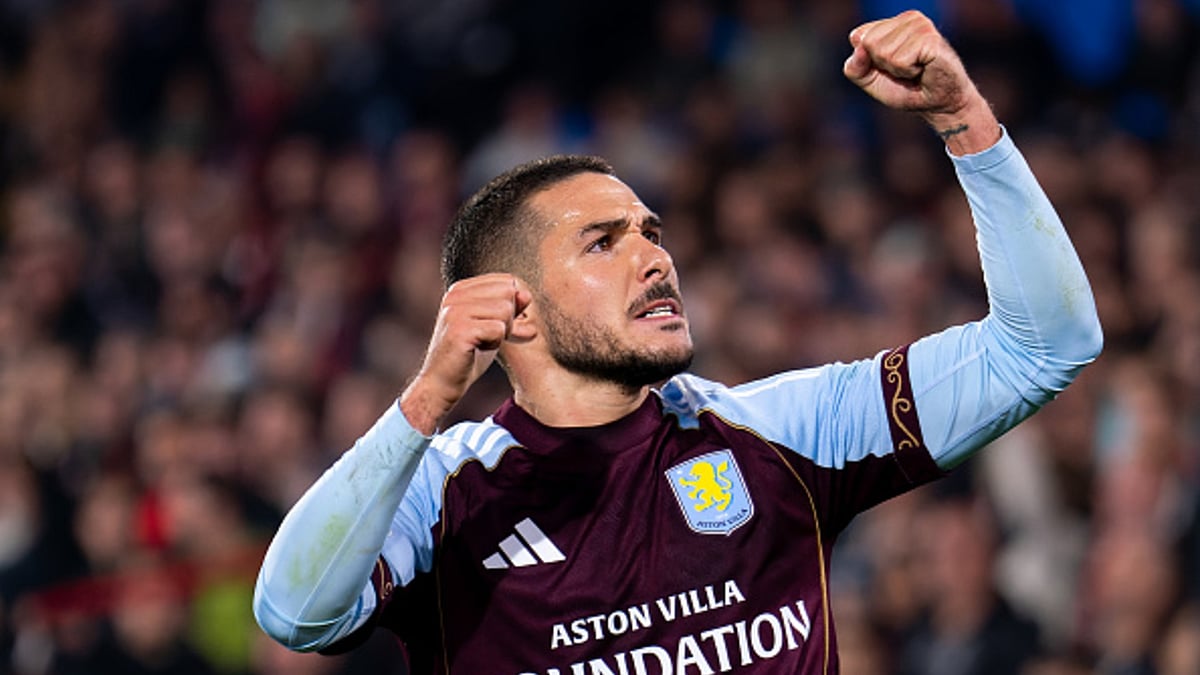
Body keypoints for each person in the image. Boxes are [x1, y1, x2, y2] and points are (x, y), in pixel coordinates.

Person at [253, 10, 1102, 674]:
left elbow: (1045, 346)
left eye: (651, 231)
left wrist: (966, 121)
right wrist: (427, 401)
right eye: (603, 241)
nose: (655, 257)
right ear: (512, 306)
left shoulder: (786, 433)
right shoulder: (446, 492)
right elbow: (294, 612)